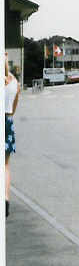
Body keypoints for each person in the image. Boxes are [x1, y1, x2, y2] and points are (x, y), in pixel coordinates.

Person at [5, 54, 20, 217]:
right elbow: (14, 108)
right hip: (7, 121)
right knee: (5, 165)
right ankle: (6, 198)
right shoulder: (14, 82)